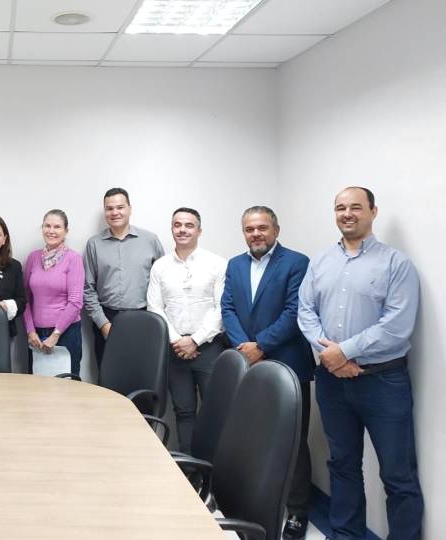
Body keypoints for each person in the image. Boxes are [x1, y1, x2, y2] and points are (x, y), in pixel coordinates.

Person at [298, 187, 423, 540]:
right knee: (342, 465)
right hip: (332, 382)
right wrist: (331, 358)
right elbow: (305, 311)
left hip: (382, 382)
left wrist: (345, 351)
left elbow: (397, 325)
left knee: (398, 475)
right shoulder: (321, 261)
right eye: (340, 207)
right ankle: (346, 534)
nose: (347, 213)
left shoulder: (396, 263)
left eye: (356, 207)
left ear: (373, 211)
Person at [221, 205, 315, 540]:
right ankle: (252, 504)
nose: (256, 234)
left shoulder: (296, 262)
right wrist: (243, 345)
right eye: (249, 229)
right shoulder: (235, 264)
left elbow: (294, 312)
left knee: (293, 442)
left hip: (287, 364)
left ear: (275, 229)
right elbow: (227, 307)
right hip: (248, 363)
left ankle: (297, 512)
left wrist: (260, 345)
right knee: (251, 436)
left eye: (262, 228)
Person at [146, 207, 226, 454]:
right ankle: (190, 472)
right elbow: (155, 307)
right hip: (174, 350)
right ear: (172, 229)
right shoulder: (160, 266)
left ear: (199, 230)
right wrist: (178, 341)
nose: (182, 229)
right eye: (177, 224)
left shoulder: (217, 264)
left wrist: (196, 340)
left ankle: (214, 471)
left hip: (210, 347)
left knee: (215, 411)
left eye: (189, 225)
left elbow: (221, 308)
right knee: (183, 411)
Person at [84, 187, 164, 368]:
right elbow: (87, 289)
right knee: (108, 378)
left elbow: (163, 283)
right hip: (107, 317)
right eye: (109, 208)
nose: (115, 212)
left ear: (130, 209)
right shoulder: (94, 244)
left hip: (144, 318)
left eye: (120, 207)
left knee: (143, 374)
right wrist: (103, 324)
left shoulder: (150, 240)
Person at [23, 210, 84, 376]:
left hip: (66, 333)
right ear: (42, 228)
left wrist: (55, 335)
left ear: (66, 231)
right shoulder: (33, 258)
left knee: (66, 388)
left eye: (57, 227)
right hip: (36, 335)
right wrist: (30, 331)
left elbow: (75, 302)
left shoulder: (74, 258)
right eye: (47, 225)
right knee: (37, 388)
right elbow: (25, 298)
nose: (51, 230)